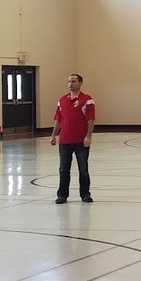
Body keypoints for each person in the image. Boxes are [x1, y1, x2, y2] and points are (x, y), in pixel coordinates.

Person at [50, 73, 96, 204]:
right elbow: (58, 120)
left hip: (81, 141)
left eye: (74, 81)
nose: (71, 84)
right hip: (64, 140)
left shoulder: (87, 100)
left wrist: (88, 136)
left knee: (83, 169)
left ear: (80, 83)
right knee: (63, 169)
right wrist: (53, 135)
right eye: (69, 81)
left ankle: (85, 194)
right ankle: (62, 195)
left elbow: (91, 119)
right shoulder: (62, 100)